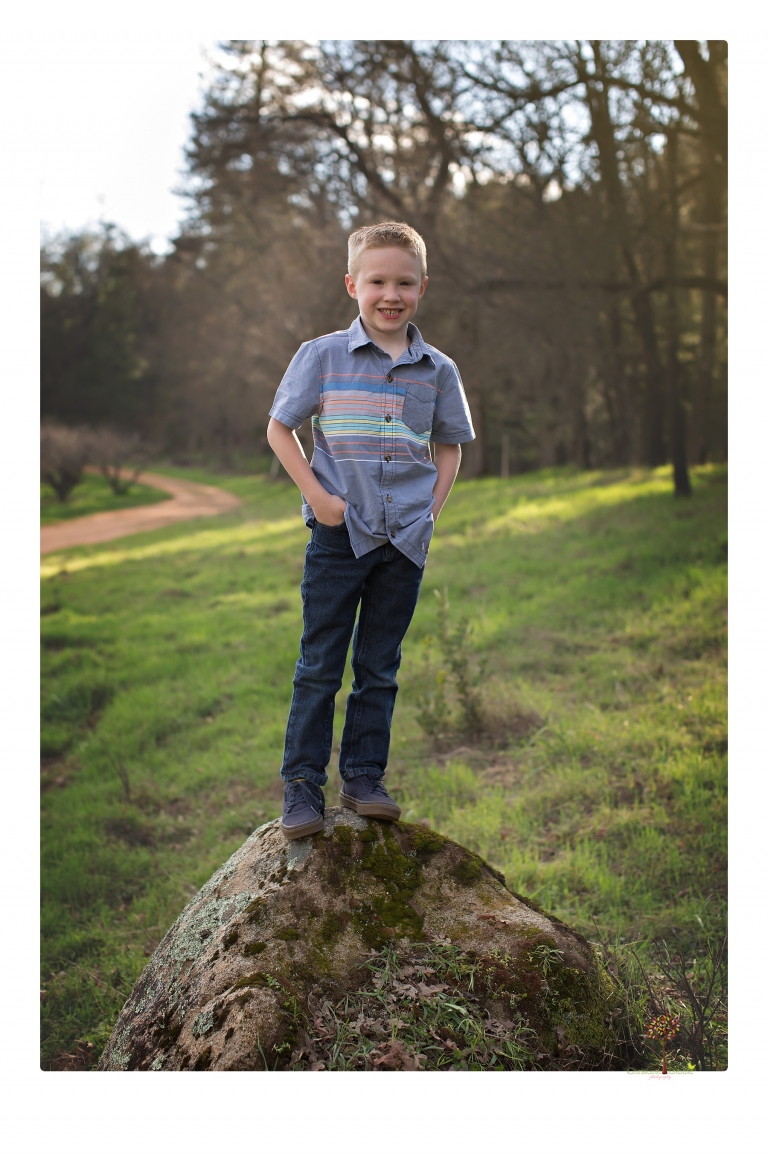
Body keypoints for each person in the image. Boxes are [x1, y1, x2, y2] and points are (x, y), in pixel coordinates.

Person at [267, 220, 475, 839]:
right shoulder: (323, 356)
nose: (391, 294)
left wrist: (427, 514)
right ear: (352, 284)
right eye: (378, 281)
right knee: (319, 666)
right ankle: (302, 788)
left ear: (422, 287)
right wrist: (318, 498)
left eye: (404, 283)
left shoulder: (439, 371)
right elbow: (281, 428)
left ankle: (363, 778)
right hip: (339, 538)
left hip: (402, 545)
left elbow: (450, 448)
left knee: (380, 667)